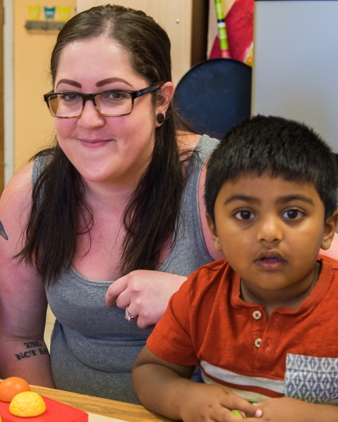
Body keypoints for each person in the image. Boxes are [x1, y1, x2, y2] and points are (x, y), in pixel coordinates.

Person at [0, 4, 221, 403]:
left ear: (161, 100)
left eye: (114, 95)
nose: (89, 119)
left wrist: (193, 301)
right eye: (70, 96)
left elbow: (315, 304)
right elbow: (16, 335)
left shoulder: (216, 179)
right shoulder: (32, 192)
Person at [132, 115, 338, 421]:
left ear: (327, 228)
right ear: (215, 230)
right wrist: (186, 398)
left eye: (292, 213)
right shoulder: (201, 294)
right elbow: (149, 371)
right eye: (244, 214)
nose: (269, 233)